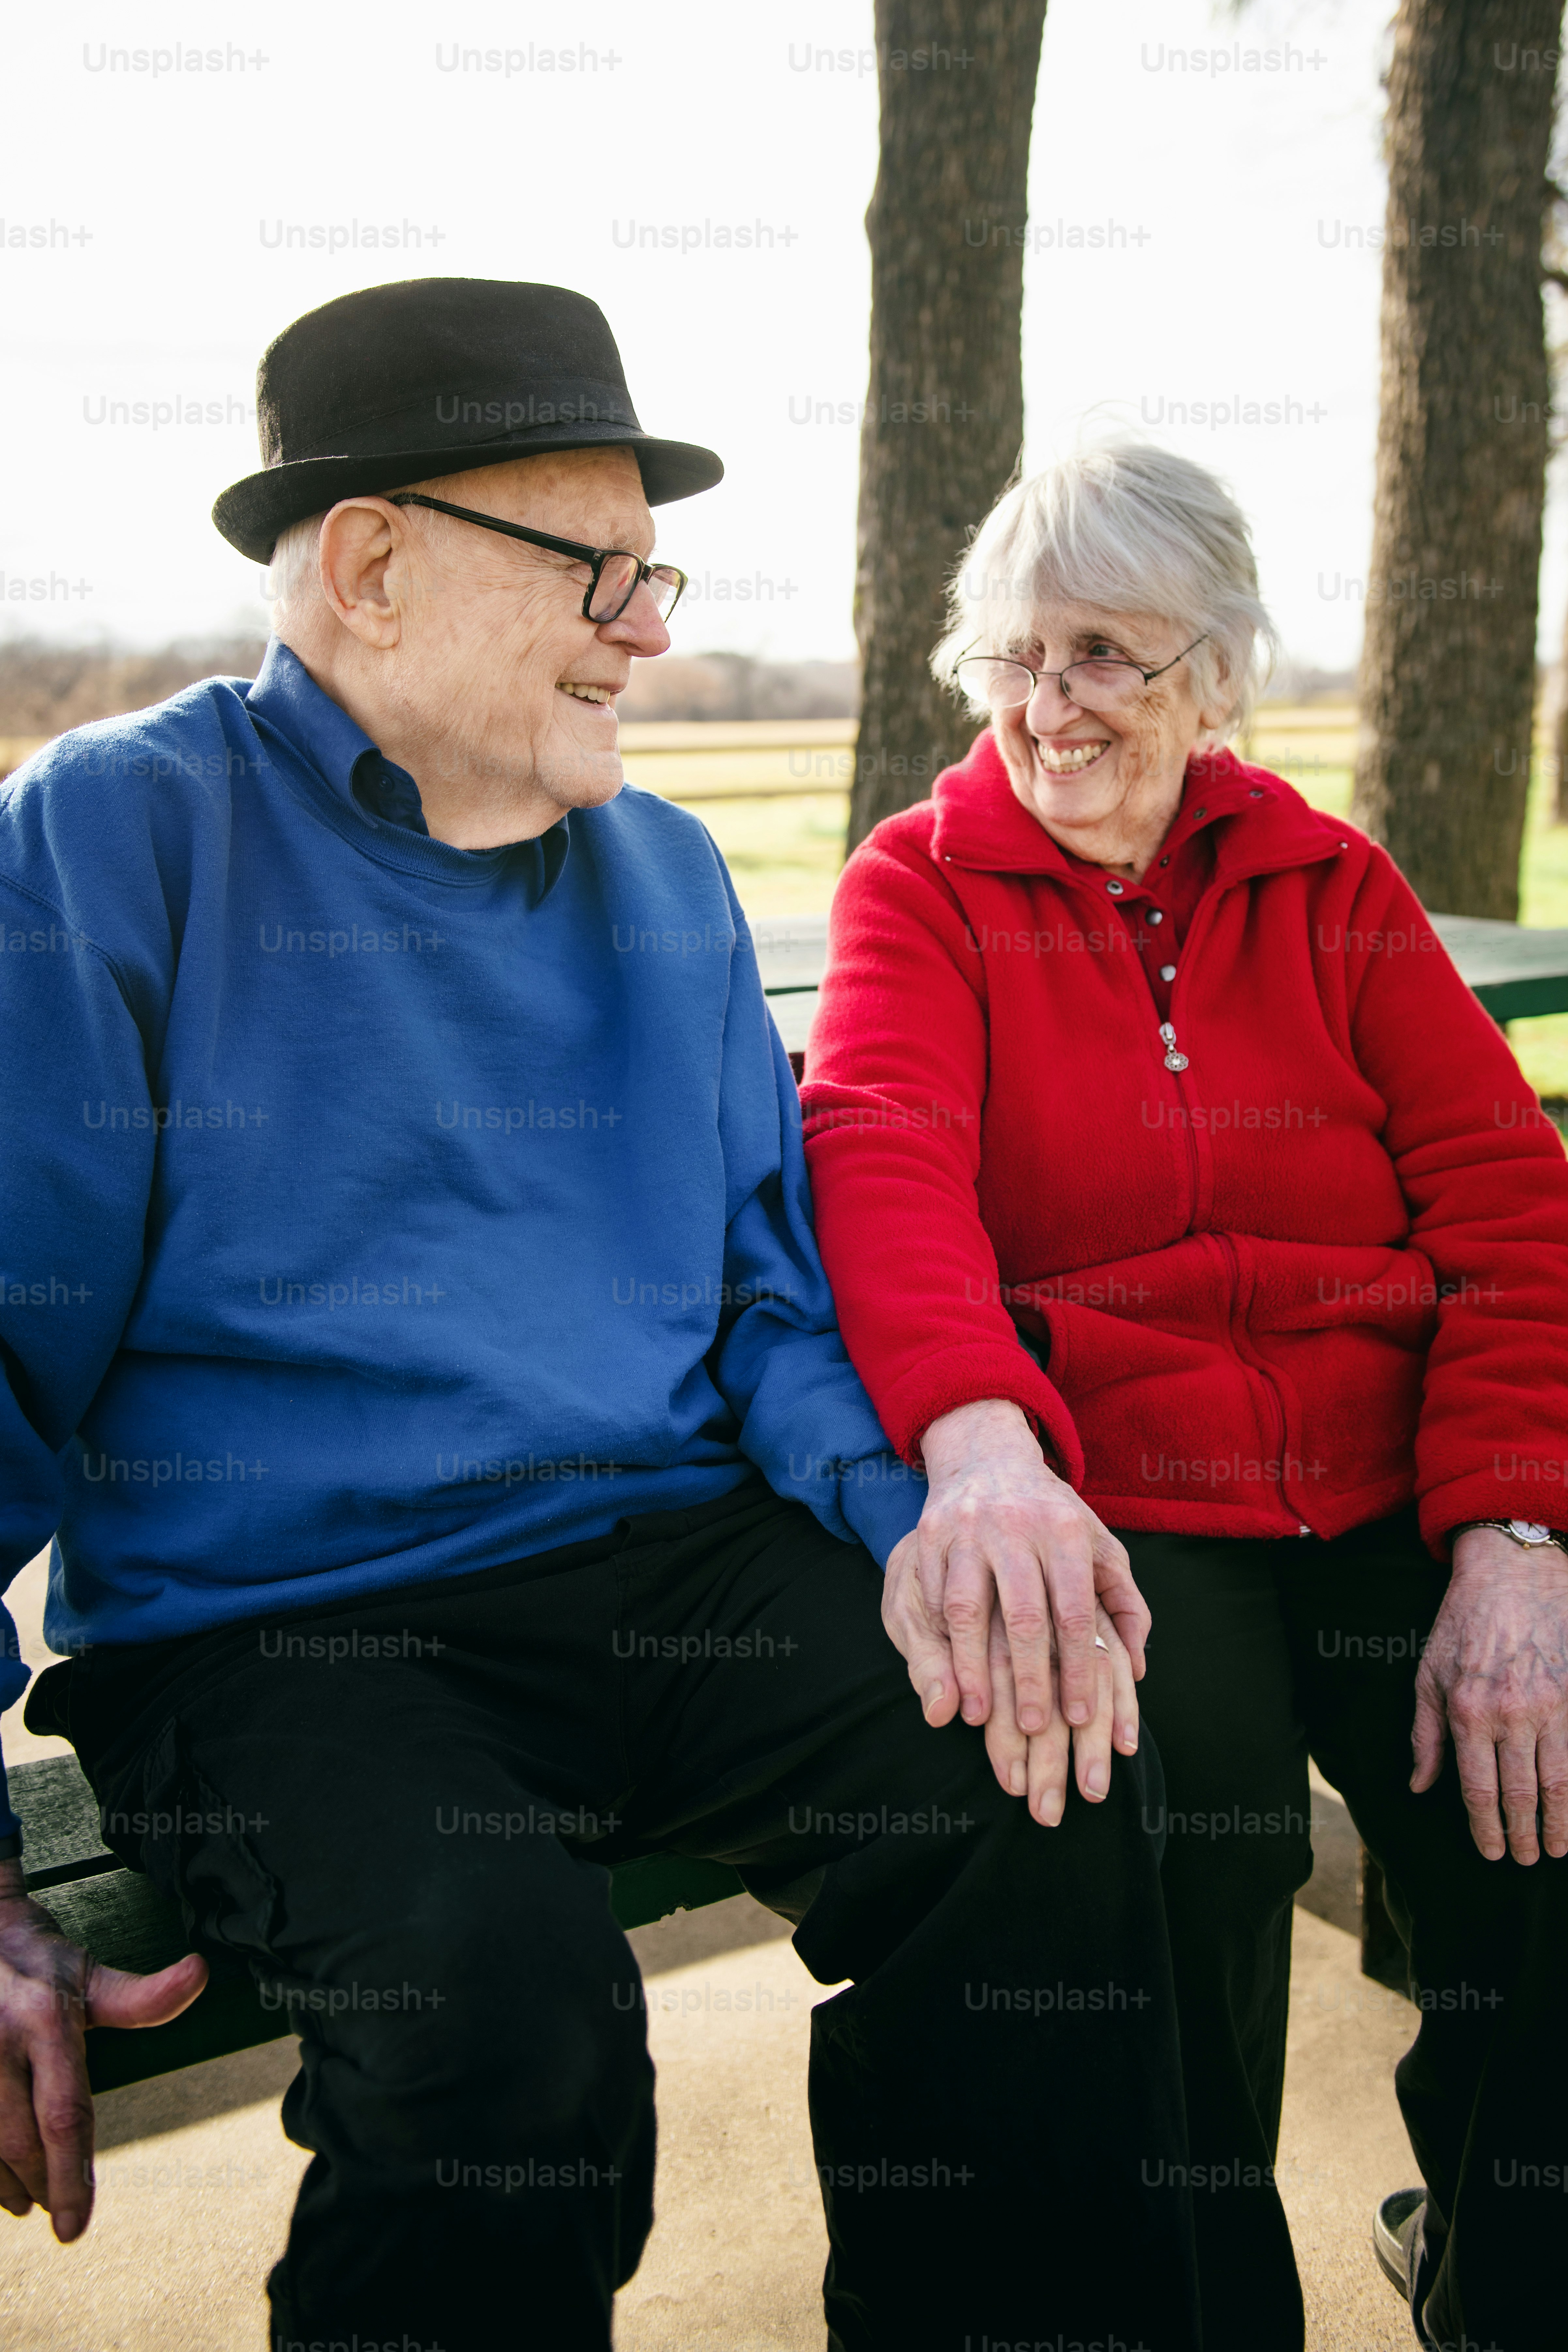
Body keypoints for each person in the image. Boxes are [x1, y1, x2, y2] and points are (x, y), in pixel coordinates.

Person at [0, 284, 1201, 2352]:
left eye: (658, 579)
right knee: (505, 2023)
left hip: (673, 1562)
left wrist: (911, 1516)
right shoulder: (118, 840)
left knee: (1057, 1782)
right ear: (372, 567)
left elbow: (759, 1294)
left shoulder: (662, 878)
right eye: (603, 575)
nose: (649, 632)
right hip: (291, 1631)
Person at [800, 439, 1568, 2352]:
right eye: (1016, 655)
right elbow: (878, 1156)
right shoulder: (920, 889)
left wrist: (1512, 1528)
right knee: (1163, 1851)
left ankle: (1510, 2289)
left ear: (1211, 676)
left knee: (1549, 1818)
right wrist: (979, 1442)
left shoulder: (1327, 879)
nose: (1050, 706)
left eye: (1105, 657)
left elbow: (1504, 1198)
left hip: (1396, 1477)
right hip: (1135, 1490)